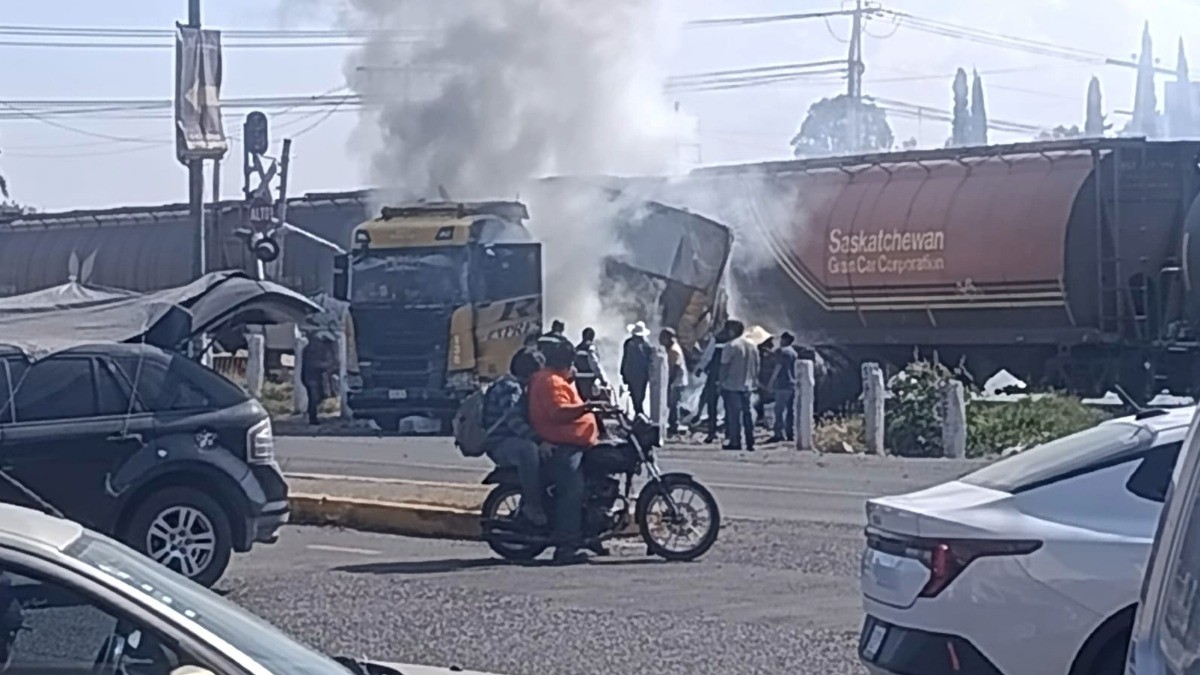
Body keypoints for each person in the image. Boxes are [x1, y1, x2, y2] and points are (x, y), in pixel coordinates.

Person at [528, 338, 603, 565]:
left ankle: (589, 535)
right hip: (562, 444)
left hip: (577, 442)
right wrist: (587, 406)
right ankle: (565, 547)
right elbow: (558, 412)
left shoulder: (559, 379)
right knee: (573, 489)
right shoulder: (550, 381)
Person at [482, 348, 549, 529]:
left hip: (510, 439)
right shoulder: (509, 387)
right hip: (501, 442)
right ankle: (532, 505)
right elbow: (514, 421)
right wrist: (538, 440)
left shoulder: (520, 387)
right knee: (529, 450)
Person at [720, 320, 760, 452]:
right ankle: (750, 442)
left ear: (732, 331)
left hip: (732, 385)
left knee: (734, 416)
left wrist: (720, 382)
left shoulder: (730, 346)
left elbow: (724, 367)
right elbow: (757, 366)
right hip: (748, 386)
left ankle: (735, 441)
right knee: (748, 415)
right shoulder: (752, 345)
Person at [696, 327, 730, 443]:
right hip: (727, 377)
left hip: (714, 376)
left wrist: (700, 369)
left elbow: (707, 356)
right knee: (728, 405)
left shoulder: (715, 341)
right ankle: (729, 433)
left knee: (712, 405)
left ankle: (712, 433)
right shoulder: (734, 342)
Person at [768, 332, 800, 444]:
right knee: (790, 411)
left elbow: (778, 367)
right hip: (792, 384)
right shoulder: (794, 353)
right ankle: (790, 433)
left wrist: (770, 383)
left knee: (779, 410)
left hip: (782, 384)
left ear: (785, 339)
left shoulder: (782, 352)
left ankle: (778, 434)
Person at [301, 333, 336, 426]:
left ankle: (310, 416)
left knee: (314, 398)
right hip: (311, 377)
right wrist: (327, 365)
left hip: (311, 376)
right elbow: (314, 364)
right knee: (314, 398)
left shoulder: (310, 348)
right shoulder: (312, 350)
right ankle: (312, 418)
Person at [659, 328, 688, 436]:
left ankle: (674, 425)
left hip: (677, 381)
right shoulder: (671, 349)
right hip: (676, 381)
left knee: (674, 404)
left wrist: (670, 380)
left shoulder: (674, 350)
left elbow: (675, 367)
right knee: (672, 403)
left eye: (663, 338)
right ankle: (673, 422)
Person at [621, 321, 653, 416]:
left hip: (640, 374)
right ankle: (638, 411)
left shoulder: (645, 345)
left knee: (640, 394)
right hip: (634, 374)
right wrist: (623, 372)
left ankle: (639, 411)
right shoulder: (630, 344)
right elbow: (625, 358)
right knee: (635, 394)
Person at [574, 327, 607, 401]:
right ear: (592, 337)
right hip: (590, 379)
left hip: (579, 379)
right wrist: (602, 379)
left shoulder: (577, 348)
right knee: (593, 400)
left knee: (582, 400)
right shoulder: (591, 348)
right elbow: (594, 364)